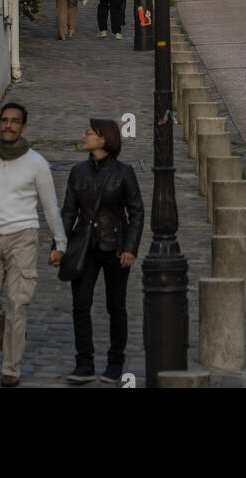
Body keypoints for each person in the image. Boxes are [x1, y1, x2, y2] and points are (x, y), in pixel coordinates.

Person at [0, 101, 67, 388]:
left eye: (14, 121)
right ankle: (14, 338)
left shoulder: (36, 163)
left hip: (23, 236)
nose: (8, 125)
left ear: (23, 127)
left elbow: (50, 207)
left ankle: (11, 367)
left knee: (17, 303)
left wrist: (60, 242)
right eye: (4, 120)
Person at [62, 118, 144, 386]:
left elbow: (136, 212)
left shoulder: (124, 172)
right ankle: (84, 362)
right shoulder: (78, 172)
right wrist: (59, 247)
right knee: (80, 305)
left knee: (116, 306)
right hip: (85, 248)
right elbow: (69, 212)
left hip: (115, 248)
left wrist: (130, 249)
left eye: (89, 133)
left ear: (104, 139)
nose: (84, 137)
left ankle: (115, 362)